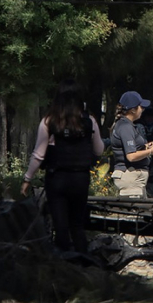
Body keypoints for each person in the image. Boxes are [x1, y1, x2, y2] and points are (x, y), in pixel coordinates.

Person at [20, 80, 105, 253]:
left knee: (60, 226)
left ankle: (62, 263)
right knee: (78, 225)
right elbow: (99, 149)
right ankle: (82, 264)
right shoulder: (89, 121)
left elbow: (39, 155)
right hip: (81, 178)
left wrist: (27, 179)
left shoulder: (49, 121)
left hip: (57, 178)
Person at [110, 91, 153, 197]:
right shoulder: (125, 127)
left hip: (134, 179)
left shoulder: (127, 125)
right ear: (132, 110)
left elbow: (129, 147)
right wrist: (150, 151)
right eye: (140, 107)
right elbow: (131, 156)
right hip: (130, 178)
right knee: (132, 213)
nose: (143, 110)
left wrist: (145, 147)